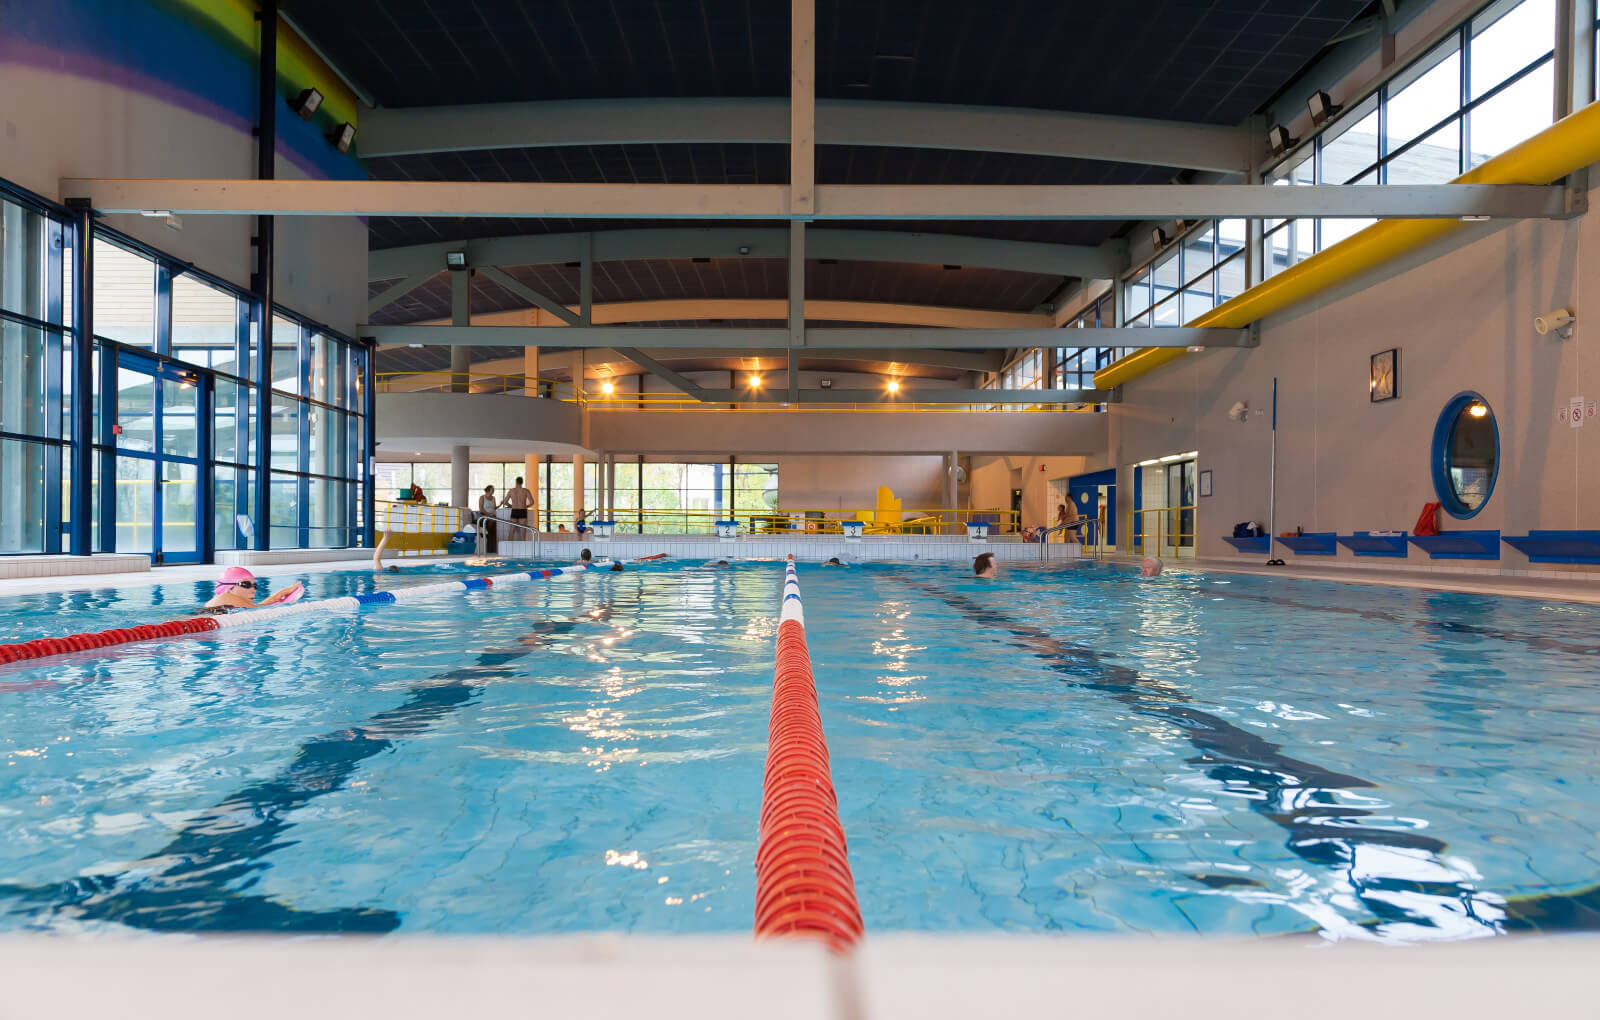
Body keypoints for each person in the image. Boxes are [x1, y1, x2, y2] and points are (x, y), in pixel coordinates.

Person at [201, 567, 302, 614]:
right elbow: (257, 610)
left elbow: (256, 607)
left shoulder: (228, 603)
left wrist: (276, 598)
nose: (253, 590)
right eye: (246, 584)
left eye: (255, 586)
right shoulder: (226, 596)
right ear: (229, 589)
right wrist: (281, 594)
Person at [477, 484, 500, 555]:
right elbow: (481, 509)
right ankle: (489, 548)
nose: (493, 491)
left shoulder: (493, 498)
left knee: (494, 530)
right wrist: (488, 515)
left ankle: (493, 548)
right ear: (488, 490)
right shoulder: (482, 497)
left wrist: (500, 504)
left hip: (492, 516)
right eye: (492, 490)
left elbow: (494, 508)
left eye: (493, 490)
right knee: (491, 526)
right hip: (484, 516)